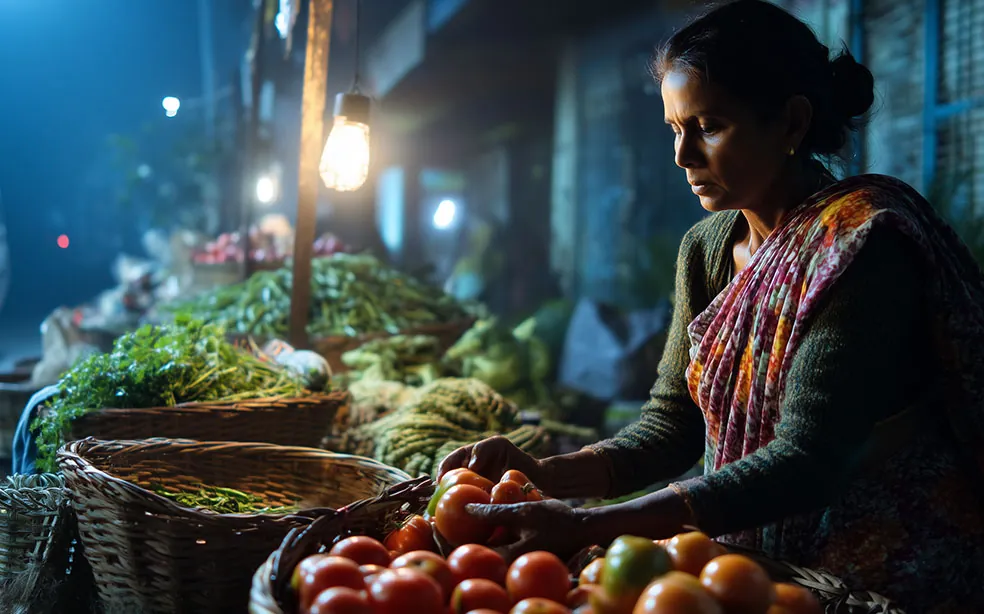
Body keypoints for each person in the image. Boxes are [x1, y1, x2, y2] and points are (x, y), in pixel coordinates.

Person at [437, 1, 984, 610]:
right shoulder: (706, 249)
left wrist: (593, 525)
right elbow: (674, 424)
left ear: (791, 124)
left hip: (881, 577)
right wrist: (547, 473)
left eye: (710, 126)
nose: (682, 156)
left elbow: (810, 458)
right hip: (748, 569)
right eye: (676, 128)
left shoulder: (862, 246)